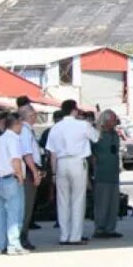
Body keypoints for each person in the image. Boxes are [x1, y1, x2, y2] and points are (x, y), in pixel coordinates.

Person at [45, 99, 99, 245]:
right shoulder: (82, 125)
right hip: (77, 162)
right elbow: (96, 137)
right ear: (74, 110)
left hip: (61, 163)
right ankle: (75, 236)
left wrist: (54, 174)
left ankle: (64, 235)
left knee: (62, 201)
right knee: (78, 199)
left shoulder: (55, 128)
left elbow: (52, 154)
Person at [0, 112, 28, 255]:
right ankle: (14, 245)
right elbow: (16, 160)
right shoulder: (13, 139)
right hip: (12, 179)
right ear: (17, 124)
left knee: (0, 216)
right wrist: (20, 177)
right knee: (15, 214)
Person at [15, 101, 42, 250]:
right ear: (30, 116)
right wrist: (35, 172)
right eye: (34, 114)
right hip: (29, 171)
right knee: (26, 206)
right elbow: (27, 154)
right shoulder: (25, 131)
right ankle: (21, 236)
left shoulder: (27, 130)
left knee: (27, 206)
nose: (36, 117)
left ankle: (22, 235)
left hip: (30, 170)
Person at [92, 110, 122, 239]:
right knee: (102, 202)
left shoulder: (114, 134)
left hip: (114, 173)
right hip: (102, 172)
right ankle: (100, 228)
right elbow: (91, 153)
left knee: (113, 203)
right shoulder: (98, 134)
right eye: (113, 120)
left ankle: (111, 228)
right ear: (106, 121)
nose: (115, 122)